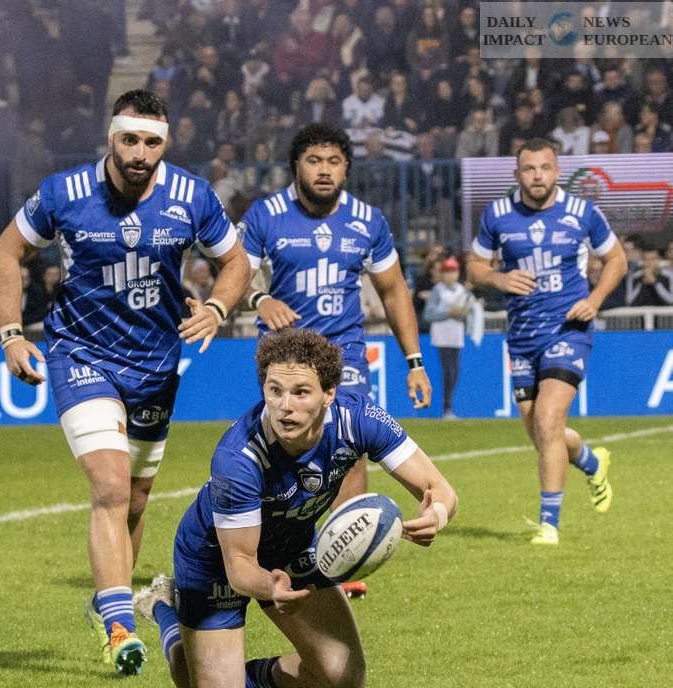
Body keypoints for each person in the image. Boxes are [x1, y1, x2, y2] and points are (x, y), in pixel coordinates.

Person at [0, 89, 252, 677]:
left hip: (155, 364)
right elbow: (6, 254)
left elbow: (236, 261)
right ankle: (119, 627)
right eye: (129, 140)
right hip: (80, 353)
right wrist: (11, 335)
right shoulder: (63, 192)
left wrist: (217, 307)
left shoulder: (193, 196)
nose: (139, 153)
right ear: (111, 138)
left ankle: (106, 603)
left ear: (165, 144)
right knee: (109, 486)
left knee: (133, 499)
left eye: (151, 142)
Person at [133, 327, 458, 688]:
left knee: (343, 678)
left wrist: (437, 514)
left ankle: (243, 682)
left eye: (301, 392)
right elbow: (239, 566)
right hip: (215, 556)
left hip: (290, 546)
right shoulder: (239, 458)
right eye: (275, 391)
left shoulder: (358, 418)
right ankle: (165, 608)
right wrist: (270, 587)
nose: (285, 406)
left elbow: (440, 489)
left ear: (329, 393)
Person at [237, 122, 432, 508]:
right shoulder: (265, 215)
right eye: (314, 160)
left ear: (346, 169)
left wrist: (415, 362)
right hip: (284, 355)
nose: (324, 170)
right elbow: (234, 278)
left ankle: (347, 547)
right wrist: (260, 299)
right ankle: (290, 539)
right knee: (288, 448)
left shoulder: (368, 220)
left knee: (348, 444)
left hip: (344, 354)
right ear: (296, 166)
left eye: (334, 161)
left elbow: (393, 291)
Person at [467, 138, 628, 545]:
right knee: (542, 434)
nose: (537, 176)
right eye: (529, 169)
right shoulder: (497, 214)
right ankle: (592, 462)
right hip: (522, 337)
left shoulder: (582, 212)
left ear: (557, 171)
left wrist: (594, 300)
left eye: (545, 167)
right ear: (517, 174)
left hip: (567, 330)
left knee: (548, 419)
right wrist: (499, 278)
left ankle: (548, 525)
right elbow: (474, 267)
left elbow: (617, 259)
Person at [423, 256, 474, 419]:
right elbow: (428, 313)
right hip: (442, 335)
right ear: (442, 274)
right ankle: (447, 407)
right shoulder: (438, 290)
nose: (451, 276)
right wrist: (448, 313)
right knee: (448, 371)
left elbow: (466, 311)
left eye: (454, 272)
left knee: (455, 372)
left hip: (456, 335)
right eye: (448, 272)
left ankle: (449, 405)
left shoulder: (461, 290)